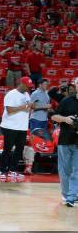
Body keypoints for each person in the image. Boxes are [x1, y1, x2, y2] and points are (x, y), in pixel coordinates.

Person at [0, 76, 33, 182]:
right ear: (21, 84)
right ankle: (3, 171)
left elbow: (28, 108)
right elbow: (9, 110)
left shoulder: (27, 94)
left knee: (19, 149)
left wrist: (30, 107)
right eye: (27, 86)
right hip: (10, 126)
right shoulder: (11, 94)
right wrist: (23, 107)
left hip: (22, 127)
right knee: (7, 149)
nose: (28, 88)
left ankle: (13, 170)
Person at [51, 77, 78, 207]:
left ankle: (72, 197)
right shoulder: (67, 100)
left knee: (76, 170)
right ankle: (67, 193)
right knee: (65, 170)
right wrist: (65, 119)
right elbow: (54, 116)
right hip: (65, 139)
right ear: (76, 86)